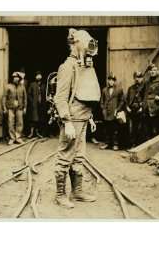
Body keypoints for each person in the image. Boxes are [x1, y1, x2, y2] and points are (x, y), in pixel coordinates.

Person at [53, 28, 101, 209]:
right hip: (72, 121)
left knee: (79, 157)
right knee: (65, 157)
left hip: (83, 119)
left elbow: (85, 94)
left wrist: (90, 118)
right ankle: (60, 195)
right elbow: (60, 98)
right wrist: (67, 122)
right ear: (74, 44)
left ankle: (77, 191)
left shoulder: (83, 67)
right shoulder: (67, 67)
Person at [100, 72, 124, 151]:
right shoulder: (104, 90)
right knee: (106, 129)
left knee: (115, 129)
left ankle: (115, 144)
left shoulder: (119, 89)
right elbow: (102, 101)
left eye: (112, 80)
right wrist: (103, 109)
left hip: (114, 112)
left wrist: (118, 109)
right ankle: (107, 143)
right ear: (107, 80)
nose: (111, 81)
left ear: (115, 81)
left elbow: (122, 101)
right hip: (107, 112)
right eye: (109, 80)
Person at [2, 72, 27, 145]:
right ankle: (12, 138)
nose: (16, 79)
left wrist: (25, 107)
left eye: (17, 77)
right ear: (12, 78)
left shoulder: (22, 87)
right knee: (11, 122)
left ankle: (18, 138)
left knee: (20, 123)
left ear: (19, 79)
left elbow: (25, 98)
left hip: (20, 108)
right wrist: (4, 108)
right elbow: (4, 97)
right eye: (14, 77)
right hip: (10, 108)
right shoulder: (8, 86)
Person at [126, 71, 145, 148]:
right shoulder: (130, 88)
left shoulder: (144, 88)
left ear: (142, 78)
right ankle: (132, 145)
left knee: (139, 129)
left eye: (140, 77)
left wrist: (141, 107)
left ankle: (138, 146)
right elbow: (127, 99)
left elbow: (145, 99)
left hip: (140, 111)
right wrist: (127, 107)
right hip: (131, 111)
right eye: (136, 77)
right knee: (131, 129)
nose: (138, 79)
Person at [27, 70, 47, 138]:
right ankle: (31, 133)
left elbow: (46, 94)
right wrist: (32, 101)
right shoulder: (32, 84)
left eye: (39, 75)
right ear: (35, 77)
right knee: (33, 119)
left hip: (42, 105)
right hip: (34, 105)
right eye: (37, 75)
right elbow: (29, 94)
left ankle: (39, 133)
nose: (38, 76)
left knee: (41, 119)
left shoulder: (44, 85)